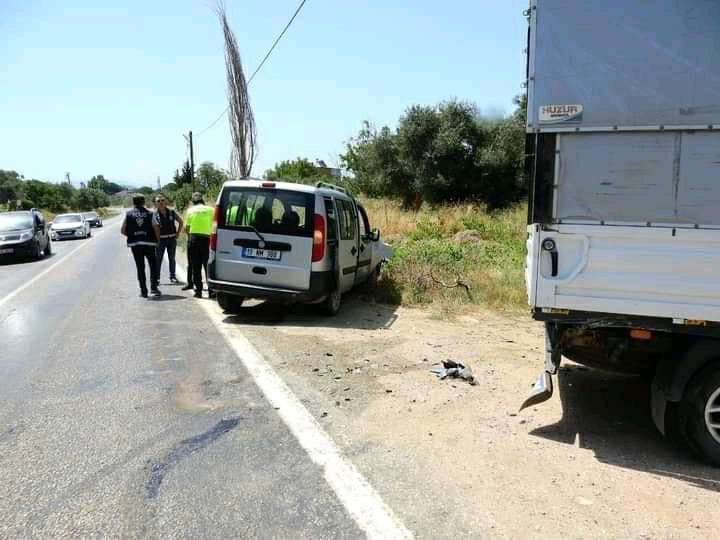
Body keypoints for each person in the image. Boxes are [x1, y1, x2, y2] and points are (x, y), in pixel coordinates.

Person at [121, 195, 161, 298]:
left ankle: (143, 291)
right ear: (143, 202)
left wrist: (132, 236)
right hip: (149, 244)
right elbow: (156, 228)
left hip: (135, 245)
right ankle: (154, 288)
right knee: (153, 266)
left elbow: (122, 230)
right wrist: (157, 240)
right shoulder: (150, 214)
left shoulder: (129, 214)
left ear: (134, 202)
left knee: (140, 267)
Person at [184, 192, 215, 298]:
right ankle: (211, 291)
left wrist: (191, 238)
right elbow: (215, 224)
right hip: (207, 239)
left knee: (195, 266)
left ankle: (198, 291)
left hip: (194, 239)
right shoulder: (211, 210)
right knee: (207, 265)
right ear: (202, 200)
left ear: (193, 201)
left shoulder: (190, 210)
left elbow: (187, 228)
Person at [153, 195, 184, 283]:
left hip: (171, 239)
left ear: (166, 201)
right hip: (160, 240)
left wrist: (178, 234)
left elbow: (181, 222)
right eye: (158, 201)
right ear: (156, 203)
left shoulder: (171, 212)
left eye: (162, 200)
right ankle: (157, 278)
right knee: (158, 259)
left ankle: (172, 276)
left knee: (172, 259)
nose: (161, 202)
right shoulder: (154, 214)